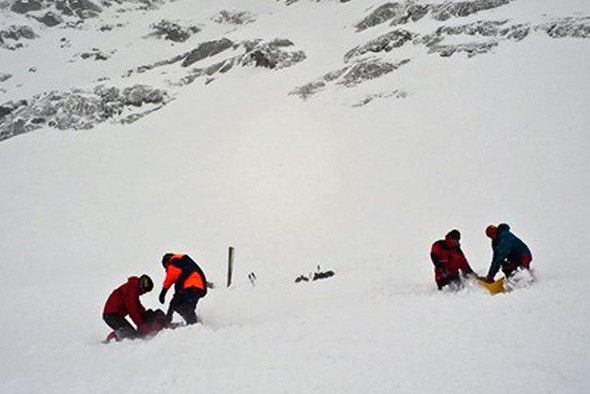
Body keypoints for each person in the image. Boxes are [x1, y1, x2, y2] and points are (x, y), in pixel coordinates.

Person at [159, 253, 207, 325]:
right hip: (193, 287)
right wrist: (169, 313)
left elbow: (171, 276)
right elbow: (176, 298)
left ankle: (194, 325)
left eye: (166, 267)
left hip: (193, 286)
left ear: (166, 262)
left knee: (186, 307)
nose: (167, 270)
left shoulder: (175, 260)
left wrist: (163, 292)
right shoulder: (182, 268)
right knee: (179, 305)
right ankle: (192, 323)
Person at [103, 274, 155, 341]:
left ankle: (117, 338)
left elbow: (137, 306)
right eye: (145, 291)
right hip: (111, 315)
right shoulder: (132, 289)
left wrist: (146, 315)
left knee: (133, 334)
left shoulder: (133, 289)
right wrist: (141, 324)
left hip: (113, 314)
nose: (144, 293)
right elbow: (132, 310)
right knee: (131, 335)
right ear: (142, 286)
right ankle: (112, 339)